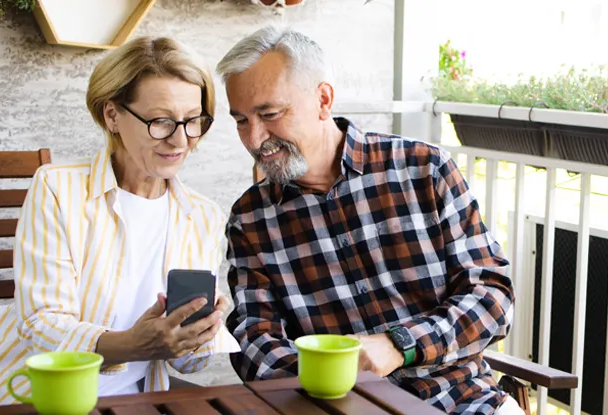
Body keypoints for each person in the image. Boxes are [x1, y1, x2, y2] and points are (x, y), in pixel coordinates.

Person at [218, 26, 519, 415]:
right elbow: (253, 339)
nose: (255, 139)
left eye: (270, 114)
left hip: (463, 402)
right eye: (241, 120)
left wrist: (399, 345)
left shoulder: (424, 170)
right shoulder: (249, 219)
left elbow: (492, 297)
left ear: (323, 100)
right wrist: (328, 376)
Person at [0, 36, 240, 405]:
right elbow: (41, 323)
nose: (180, 140)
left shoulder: (203, 215)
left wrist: (199, 334)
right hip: (32, 399)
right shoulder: (57, 188)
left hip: (133, 402)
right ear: (112, 115)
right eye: (161, 121)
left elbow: (189, 366)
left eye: (193, 121)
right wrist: (131, 345)